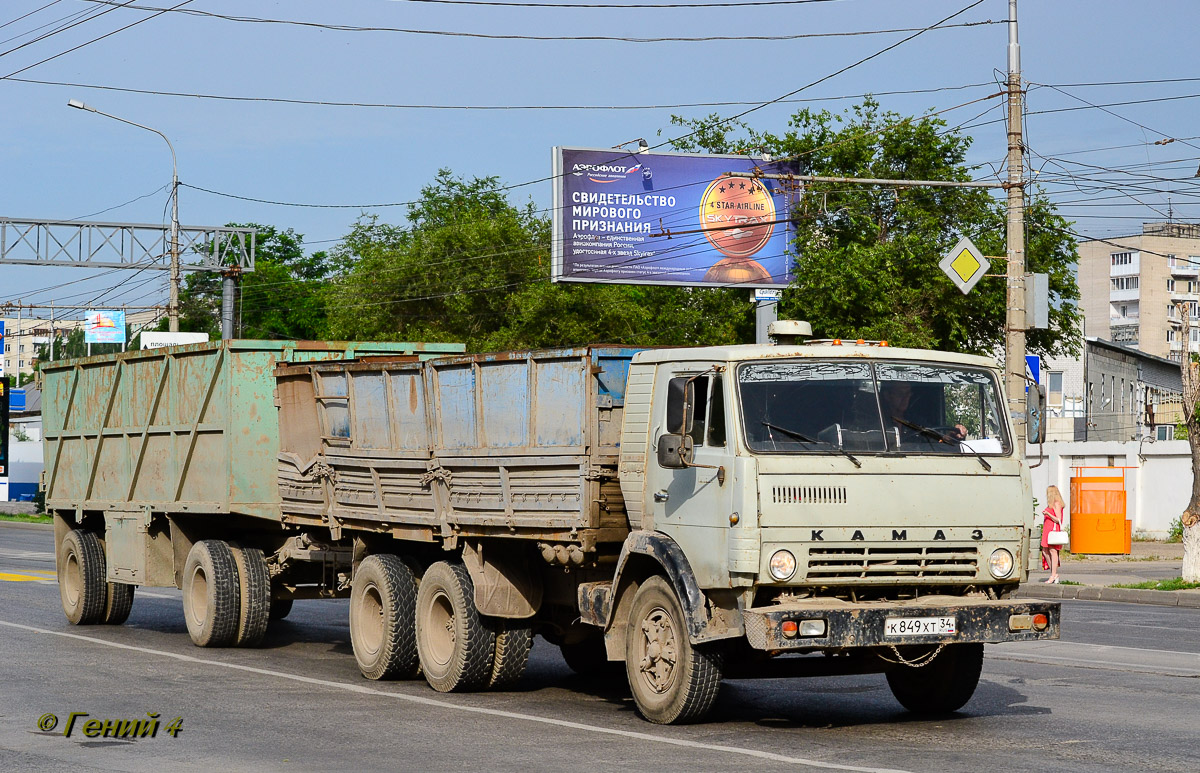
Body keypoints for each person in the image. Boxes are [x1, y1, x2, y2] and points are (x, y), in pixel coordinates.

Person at [1041, 485, 1067, 583]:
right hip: (1047, 530)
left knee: (1052, 551)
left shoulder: (1057, 503)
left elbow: (1058, 519)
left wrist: (1048, 514)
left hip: (1053, 530)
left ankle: (1053, 574)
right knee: (1044, 551)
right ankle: (1054, 573)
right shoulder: (1051, 504)